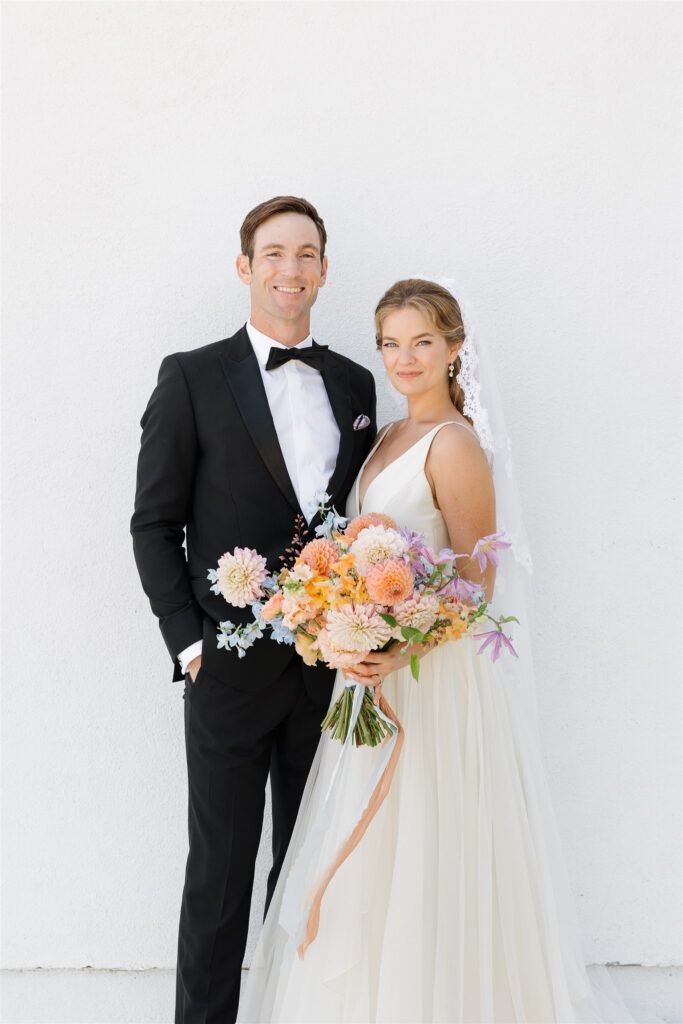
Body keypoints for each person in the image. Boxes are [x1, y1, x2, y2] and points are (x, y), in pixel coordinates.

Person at [238, 279, 642, 1023]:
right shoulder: (388, 436)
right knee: (369, 852)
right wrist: (343, 627)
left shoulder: (454, 444)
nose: (404, 358)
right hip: (373, 677)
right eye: (390, 343)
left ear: (454, 348)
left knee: (426, 841)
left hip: (432, 685)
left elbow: (473, 581)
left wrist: (399, 646)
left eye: (422, 342)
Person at [130, 196, 377, 1024]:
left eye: (306, 254)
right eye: (273, 254)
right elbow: (154, 524)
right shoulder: (192, 375)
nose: (290, 270)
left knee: (311, 875)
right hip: (228, 672)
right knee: (220, 880)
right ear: (245, 267)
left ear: (324, 269)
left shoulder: (353, 382)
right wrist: (190, 646)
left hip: (323, 671)